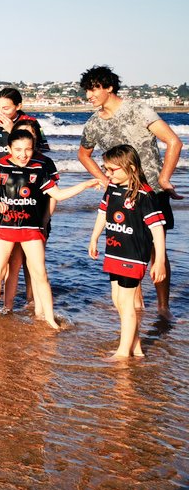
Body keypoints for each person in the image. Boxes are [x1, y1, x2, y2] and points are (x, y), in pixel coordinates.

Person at [0, 129, 99, 329]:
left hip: (31, 229)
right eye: (18, 149)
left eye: (28, 149)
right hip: (4, 227)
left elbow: (58, 195)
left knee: (40, 274)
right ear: (9, 148)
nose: (23, 154)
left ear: (33, 149)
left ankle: (49, 318)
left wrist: (85, 184)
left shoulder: (39, 169)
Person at [79, 64, 182, 321]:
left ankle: (163, 307)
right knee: (128, 250)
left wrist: (164, 179)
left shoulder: (138, 110)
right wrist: (104, 180)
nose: (89, 95)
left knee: (156, 249)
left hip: (151, 192)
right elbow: (83, 154)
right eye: (87, 91)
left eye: (94, 89)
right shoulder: (94, 123)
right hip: (121, 196)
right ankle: (135, 309)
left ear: (109, 87)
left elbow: (173, 141)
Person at [88, 145, 167, 360]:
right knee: (117, 300)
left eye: (112, 170)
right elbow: (103, 213)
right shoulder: (112, 189)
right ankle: (136, 347)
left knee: (126, 302)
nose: (107, 174)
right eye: (106, 169)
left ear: (130, 168)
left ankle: (123, 353)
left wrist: (159, 261)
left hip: (133, 256)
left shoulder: (144, 194)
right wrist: (94, 237)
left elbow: (157, 229)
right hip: (114, 251)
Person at [0, 87, 48, 168]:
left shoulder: (31, 123)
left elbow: (41, 152)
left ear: (18, 106)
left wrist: (13, 131)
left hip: (27, 170)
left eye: (6, 108)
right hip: (0, 170)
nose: (0, 112)